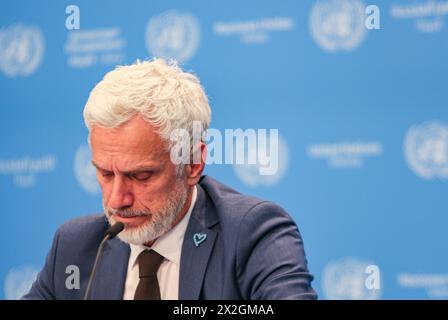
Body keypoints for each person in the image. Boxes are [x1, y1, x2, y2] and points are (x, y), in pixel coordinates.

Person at [23, 59, 317, 300]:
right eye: (105, 173)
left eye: (140, 176)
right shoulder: (76, 246)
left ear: (192, 164)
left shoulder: (251, 233)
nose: (116, 200)